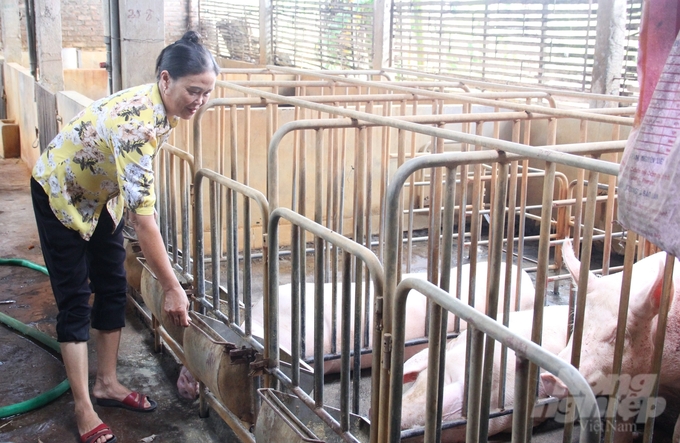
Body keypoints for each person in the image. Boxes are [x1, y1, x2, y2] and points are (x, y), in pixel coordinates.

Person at [30, 31, 218, 443]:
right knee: (76, 298)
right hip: (61, 194)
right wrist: (172, 287)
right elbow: (145, 221)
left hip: (102, 198)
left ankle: (107, 384)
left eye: (206, 92)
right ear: (165, 80)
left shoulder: (162, 109)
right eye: (193, 90)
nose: (199, 100)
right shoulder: (136, 124)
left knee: (113, 287)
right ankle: (83, 407)